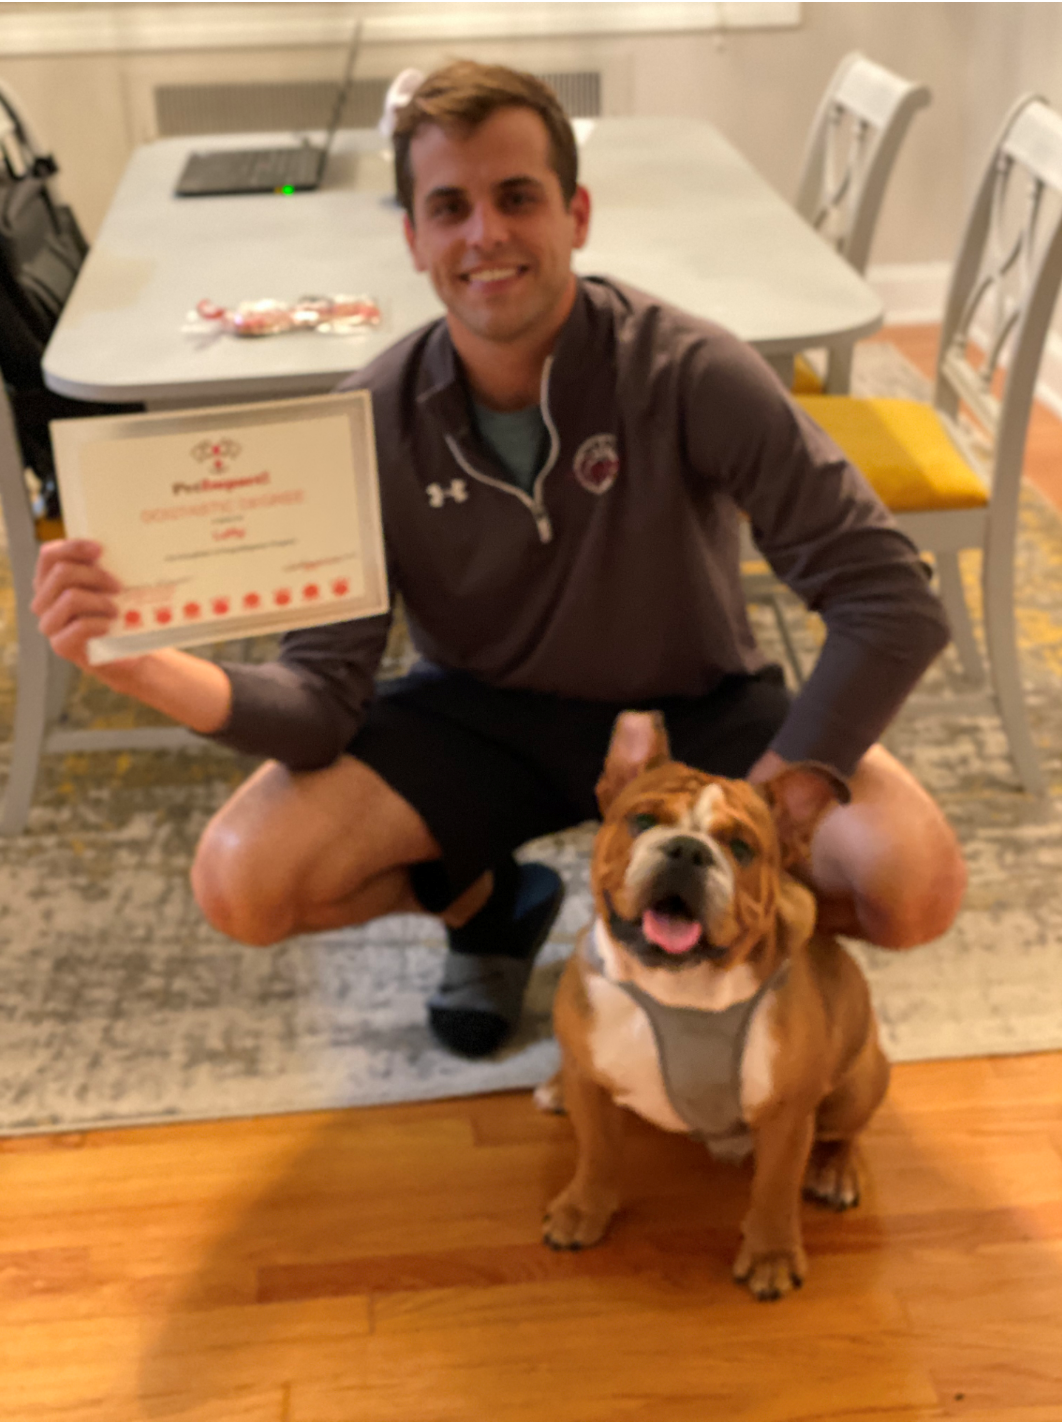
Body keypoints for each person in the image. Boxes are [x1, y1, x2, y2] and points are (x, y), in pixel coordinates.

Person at [32, 62, 966, 1060]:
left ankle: (699, 954)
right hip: (480, 716)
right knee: (241, 879)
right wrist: (138, 664)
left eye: (518, 197)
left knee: (913, 888)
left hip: (694, 711)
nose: (485, 233)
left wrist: (774, 806)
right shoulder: (369, 420)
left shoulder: (692, 373)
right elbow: (318, 703)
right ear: (413, 237)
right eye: (450, 207)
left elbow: (889, 599)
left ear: (576, 212)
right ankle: (490, 905)